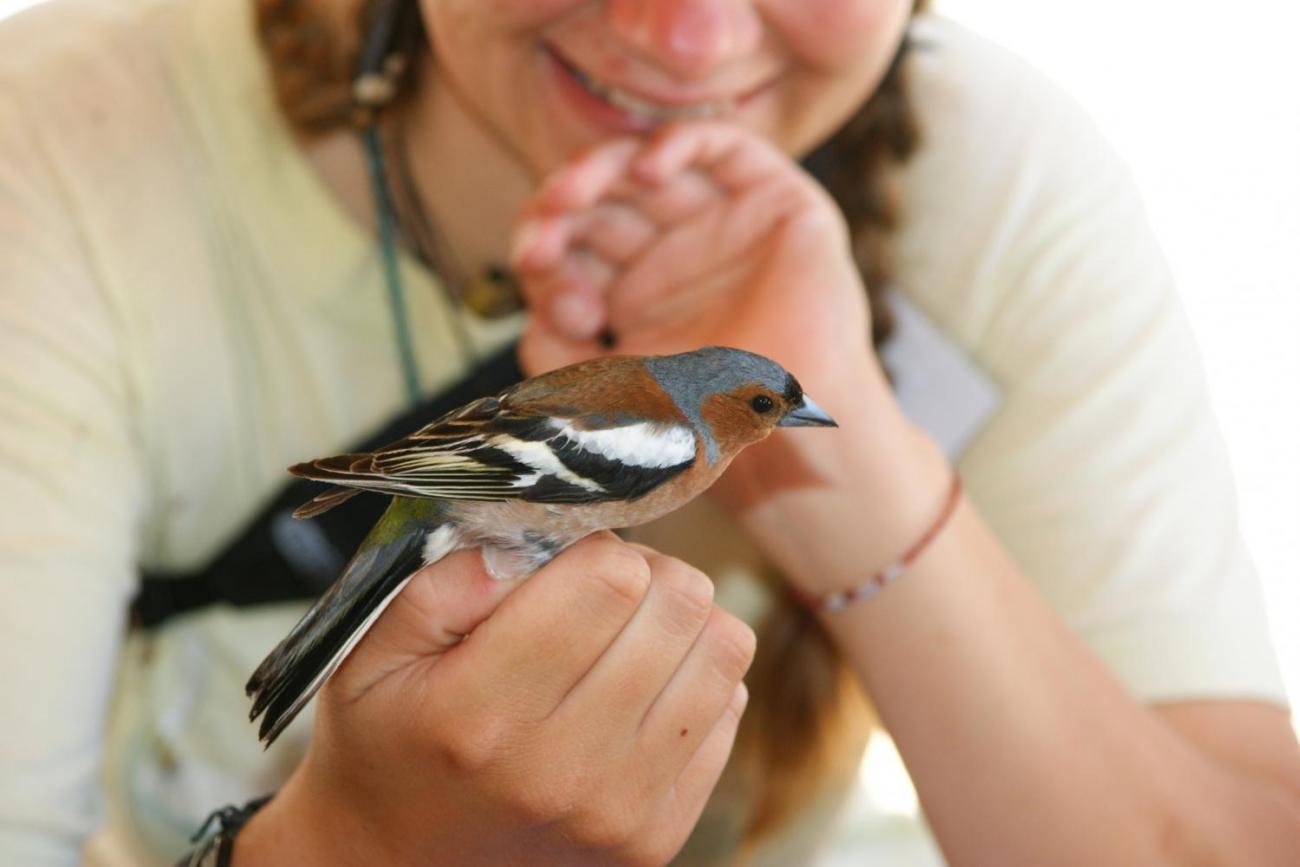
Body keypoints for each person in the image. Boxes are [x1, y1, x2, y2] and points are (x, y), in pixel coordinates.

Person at [1, 0, 1297, 864]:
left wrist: (863, 480)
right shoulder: (57, 151)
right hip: (466, 499)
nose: (686, 35)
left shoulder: (1013, 197)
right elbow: (520, 466)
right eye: (771, 410)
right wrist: (356, 835)